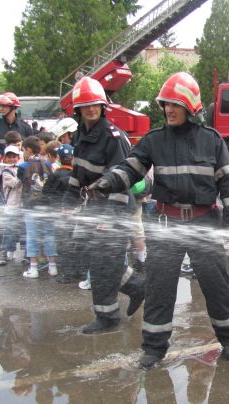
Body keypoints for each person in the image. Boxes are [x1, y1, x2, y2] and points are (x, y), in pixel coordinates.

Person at [87, 72, 229, 367]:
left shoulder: (212, 141)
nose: (169, 109)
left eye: (175, 104)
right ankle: (154, 348)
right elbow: (130, 168)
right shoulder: (153, 140)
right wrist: (108, 182)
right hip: (165, 223)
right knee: (160, 287)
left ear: (191, 107)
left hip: (203, 223)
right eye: (165, 104)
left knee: (216, 285)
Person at [61, 76, 146, 334]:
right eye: (86, 105)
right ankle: (137, 286)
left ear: (103, 106)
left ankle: (107, 318)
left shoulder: (113, 137)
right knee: (99, 260)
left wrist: (108, 218)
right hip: (93, 209)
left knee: (101, 265)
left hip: (114, 210)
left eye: (96, 104)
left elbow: (121, 180)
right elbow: (78, 173)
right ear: (78, 109)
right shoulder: (81, 137)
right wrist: (68, 202)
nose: (92, 109)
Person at [18, 136, 57, 279]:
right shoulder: (47, 163)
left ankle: (33, 268)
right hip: (47, 205)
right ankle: (52, 267)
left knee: (32, 236)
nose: (23, 153)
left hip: (31, 206)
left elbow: (20, 180)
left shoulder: (23, 166)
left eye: (23, 150)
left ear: (28, 149)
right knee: (49, 234)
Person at [42, 144, 81, 284]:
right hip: (76, 213)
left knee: (63, 243)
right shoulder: (77, 174)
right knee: (76, 242)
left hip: (59, 214)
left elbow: (45, 193)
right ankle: (79, 271)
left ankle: (67, 273)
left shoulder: (55, 174)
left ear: (58, 157)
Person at [0, 92, 33, 176]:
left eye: (4, 106)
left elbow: (31, 148)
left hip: (21, 171)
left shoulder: (25, 128)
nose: (1, 109)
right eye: (0, 106)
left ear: (13, 107)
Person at [0, 145, 23, 266]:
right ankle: (7, 253)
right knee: (10, 230)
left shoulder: (19, 168)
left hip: (21, 206)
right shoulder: (5, 172)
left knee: (21, 230)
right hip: (11, 207)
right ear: (5, 158)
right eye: (9, 157)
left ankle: (24, 254)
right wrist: (25, 175)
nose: (12, 159)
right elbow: (16, 184)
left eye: (14, 157)